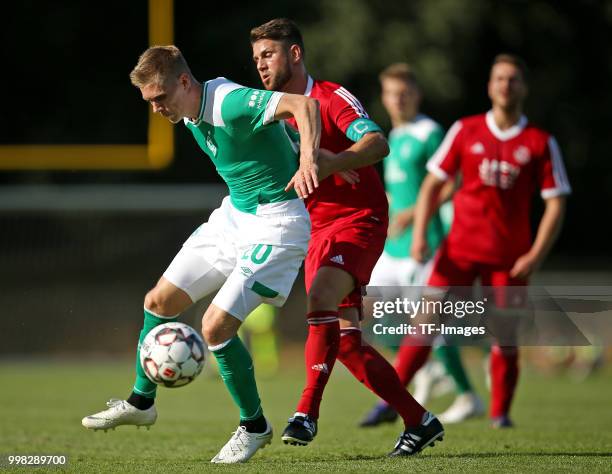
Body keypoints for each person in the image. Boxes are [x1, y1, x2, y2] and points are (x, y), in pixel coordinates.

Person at [82, 45, 322, 464]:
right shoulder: (188, 111)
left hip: (277, 223)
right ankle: (142, 403)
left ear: (184, 82)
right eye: (150, 102)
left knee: (214, 328)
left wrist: (308, 161)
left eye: (160, 98)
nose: (157, 109)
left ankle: (254, 426)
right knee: (158, 302)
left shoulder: (228, 101)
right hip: (234, 217)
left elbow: (304, 105)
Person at [251, 18, 444, 456]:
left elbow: (377, 143)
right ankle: (420, 420)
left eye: (269, 55)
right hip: (316, 230)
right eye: (257, 59)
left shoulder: (331, 97)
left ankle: (305, 413)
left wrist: (331, 161)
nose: (261, 66)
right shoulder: (269, 109)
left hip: (360, 220)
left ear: (294, 54)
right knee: (347, 343)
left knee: (320, 298)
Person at [400, 54, 571, 428]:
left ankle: (500, 415)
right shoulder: (465, 129)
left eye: (512, 79)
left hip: (509, 259)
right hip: (458, 252)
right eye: (498, 79)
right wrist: (419, 235)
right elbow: (432, 184)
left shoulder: (540, 142)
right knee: (424, 322)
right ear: (489, 86)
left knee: (504, 337)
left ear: (522, 87)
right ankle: (392, 400)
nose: (505, 86)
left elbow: (556, 203)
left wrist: (535, 254)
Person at [361, 63, 484, 427]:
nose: (398, 100)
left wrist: (414, 215)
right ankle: (423, 369)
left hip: (425, 246)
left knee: (431, 327)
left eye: (404, 93)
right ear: (383, 97)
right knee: (370, 314)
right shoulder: (392, 136)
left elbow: (452, 182)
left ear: (416, 94)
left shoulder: (430, 133)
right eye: (391, 93)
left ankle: (467, 395)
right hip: (393, 247)